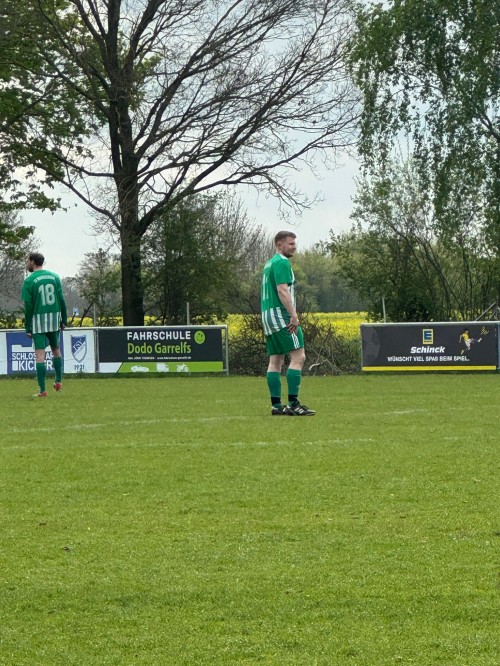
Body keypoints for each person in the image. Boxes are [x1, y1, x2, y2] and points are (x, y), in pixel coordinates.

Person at [261, 231, 315, 416]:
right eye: (290, 244)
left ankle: (277, 406)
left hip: (268, 316)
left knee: (275, 360)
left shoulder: (269, 263)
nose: (294, 247)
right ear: (279, 244)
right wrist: (293, 315)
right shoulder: (282, 262)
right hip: (281, 315)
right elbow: (282, 290)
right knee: (299, 357)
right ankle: (293, 404)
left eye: (294, 243)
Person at [22, 252, 67, 397]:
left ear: (32, 262)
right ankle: (58, 381)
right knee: (56, 350)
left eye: (28, 261)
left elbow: (28, 305)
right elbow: (61, 299)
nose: (27, 264)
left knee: (40, 354)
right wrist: (64, 319)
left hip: (38, 321)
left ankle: (42, 390)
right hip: (54, 319)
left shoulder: (29, 281)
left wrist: (28, 326)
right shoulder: (54, 277)